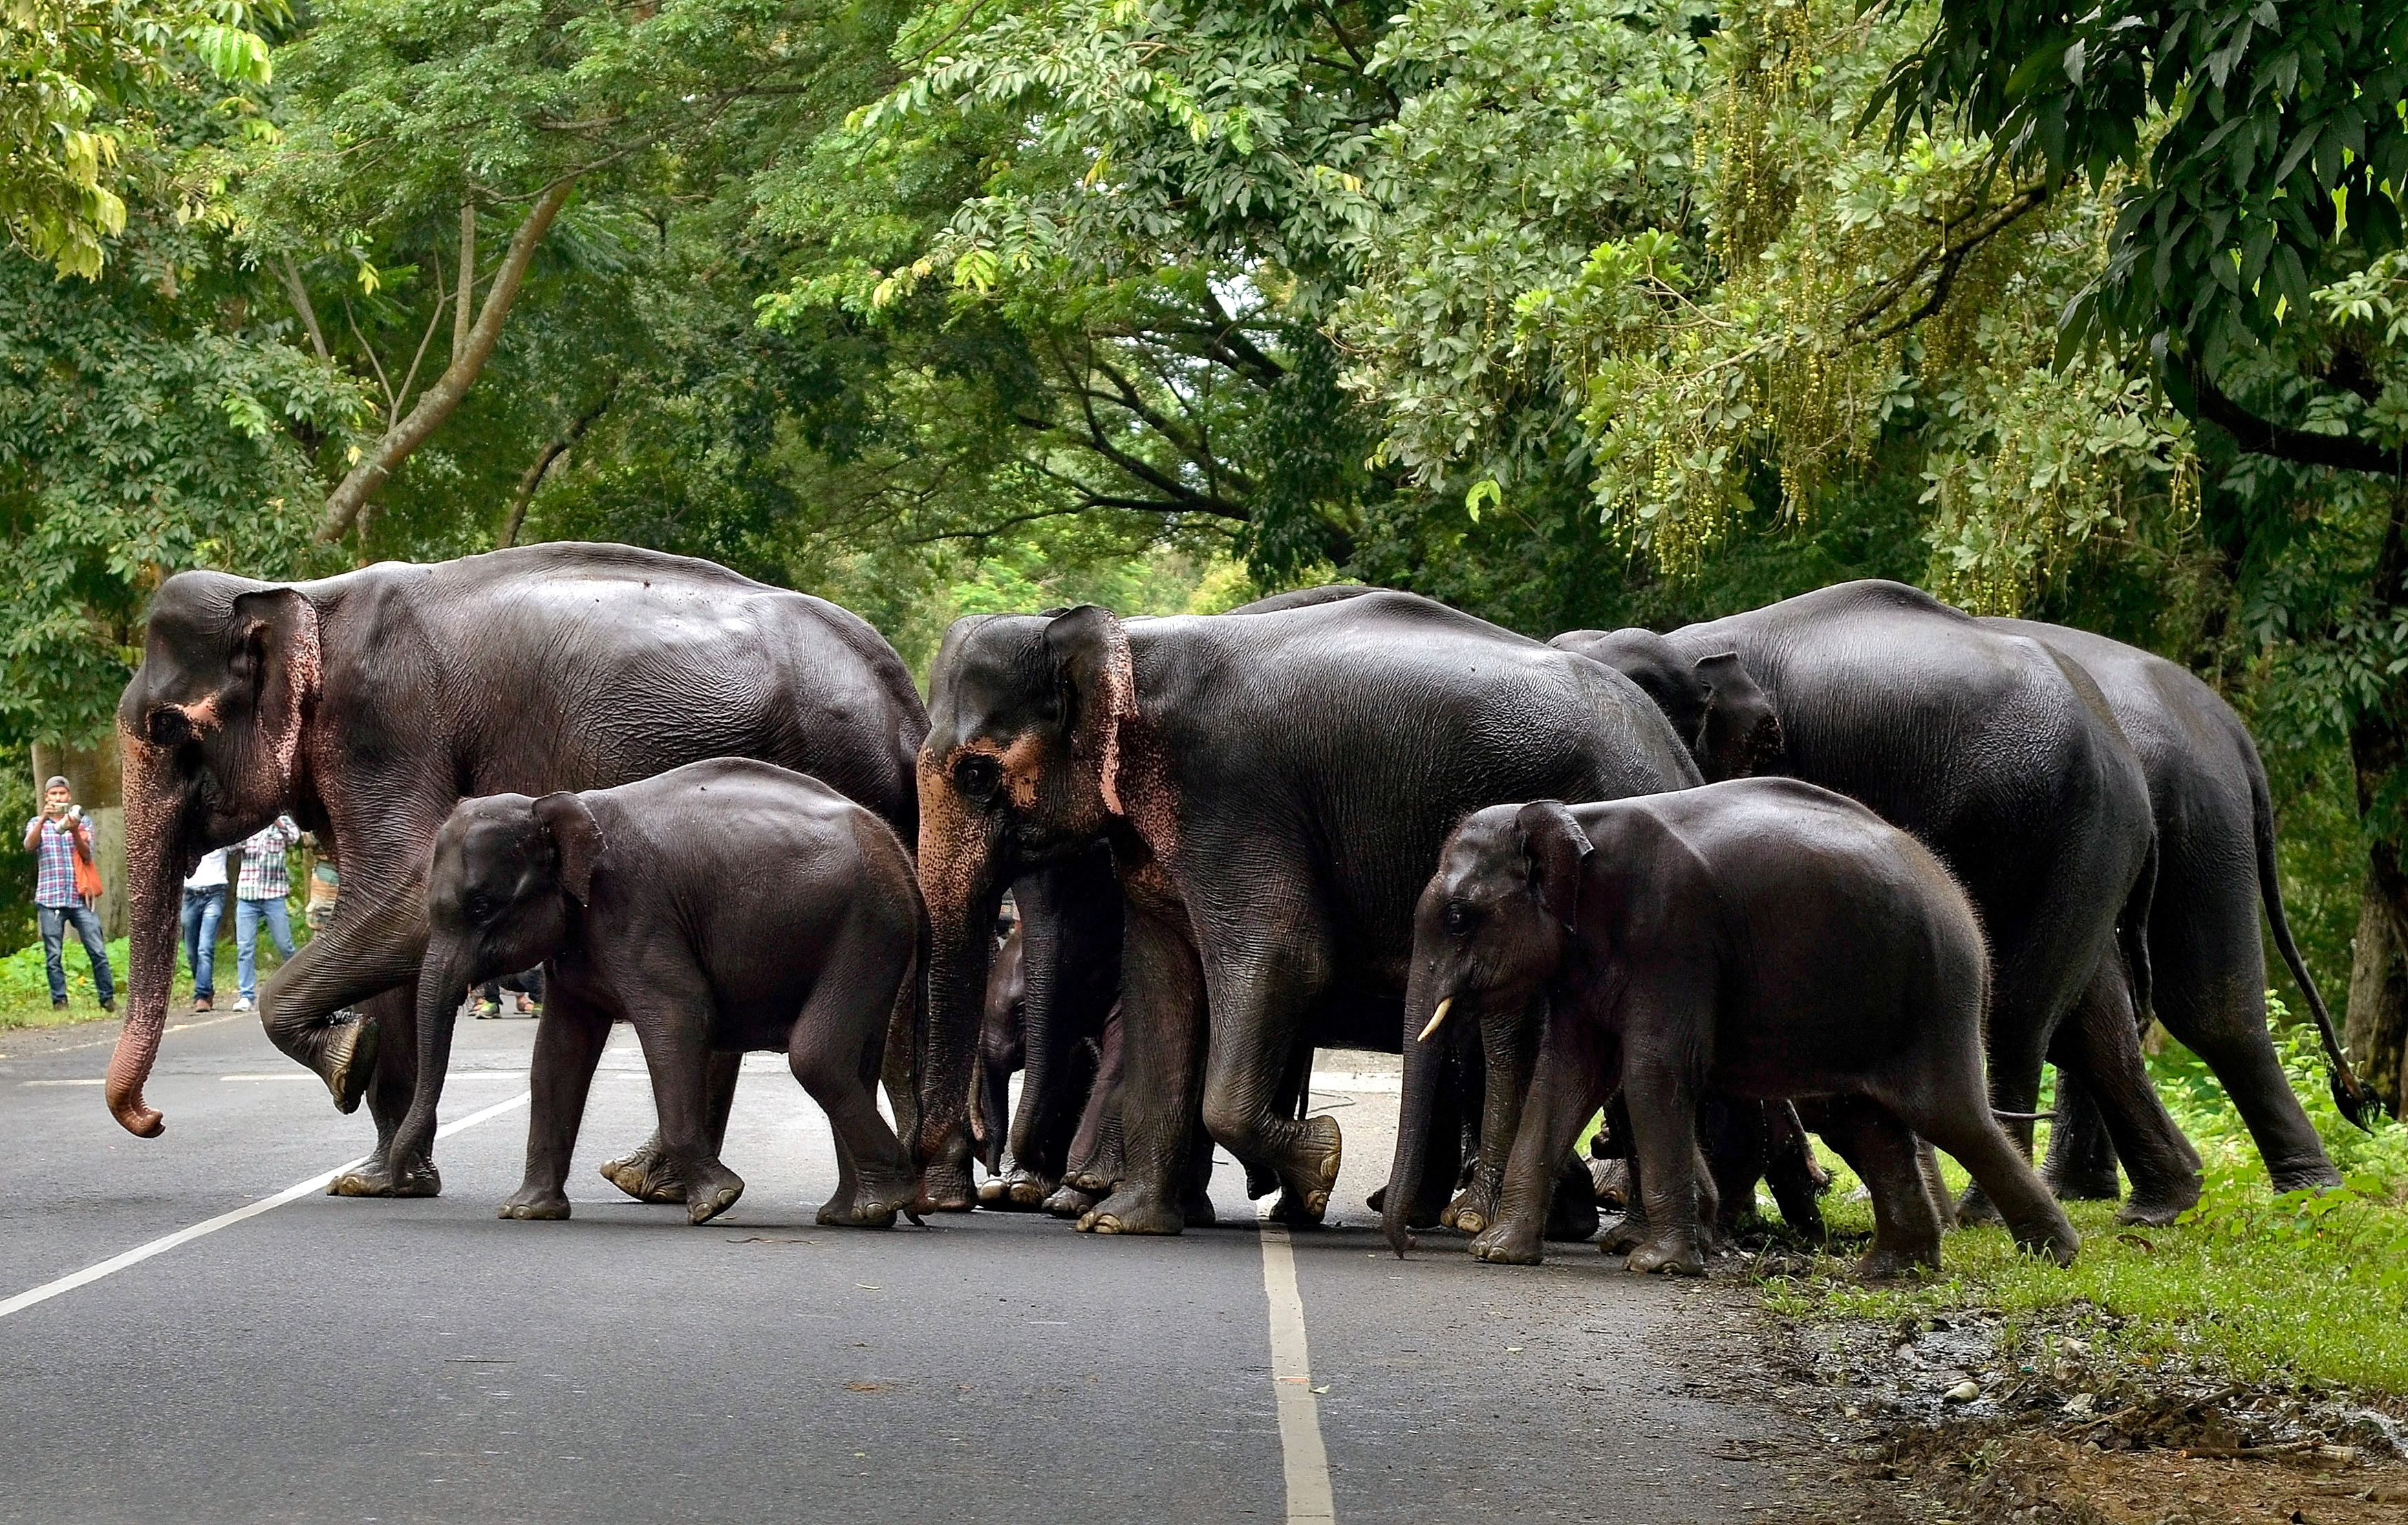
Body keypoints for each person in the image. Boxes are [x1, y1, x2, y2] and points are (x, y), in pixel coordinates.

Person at [24, 775, 114, 1013]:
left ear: (69, 796)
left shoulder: (83, 823)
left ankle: (107, 998)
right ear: (46, 797)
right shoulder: (36, 822)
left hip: (80, 897)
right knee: (53, 954)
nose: (58, 798)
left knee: (97, 950)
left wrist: (74, 830)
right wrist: (44, 818)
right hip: (49, 898)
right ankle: (60, 1002)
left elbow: (87, 855)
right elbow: (29, 846)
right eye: (53, 794)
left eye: (62, 794)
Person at [232, 814, 302, 1013]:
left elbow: (295, 837)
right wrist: (246, 828)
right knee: (245, 948)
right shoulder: (248, 823)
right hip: (247, 894)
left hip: (274, 895)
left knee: (285, 945)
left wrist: (276, 821)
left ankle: (298, 988)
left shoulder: (283, 822)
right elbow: (231, 847)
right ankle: (246, 995)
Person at [181, 845, 229, 1013]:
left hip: (215, 893)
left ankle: (201, 996)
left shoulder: (221, 830)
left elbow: (240, 840)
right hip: (190, 894)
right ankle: (206, 988)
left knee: (205, 948)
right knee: (191, 952)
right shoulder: (188, 833)